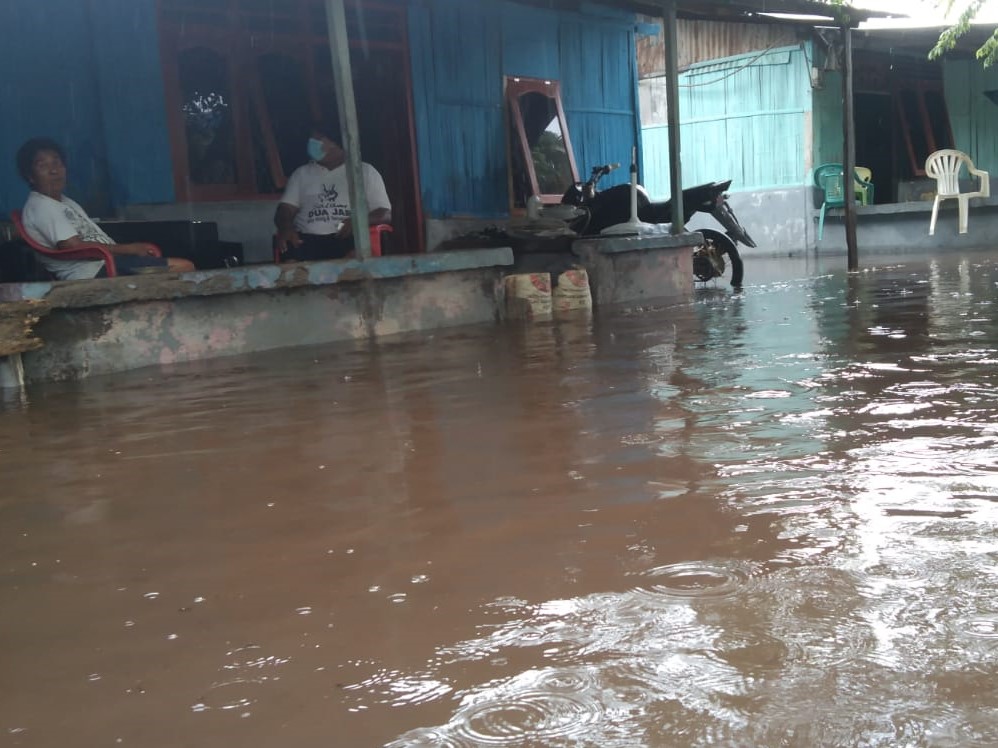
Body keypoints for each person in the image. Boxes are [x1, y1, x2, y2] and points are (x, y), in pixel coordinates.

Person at [16, 137, 195, 281]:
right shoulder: (42, 206)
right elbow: (73, 246)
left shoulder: (64, 201)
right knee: (184, 268)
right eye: (43, 166)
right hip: (93, 272)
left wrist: (131, 251)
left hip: (107, 264)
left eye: (57, 163)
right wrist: (131, 249)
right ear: (30, 176)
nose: (54, 171)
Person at [274, 125, 392, 261]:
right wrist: (286, 227)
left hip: (346, 236)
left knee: (357, 256)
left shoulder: (365, 171)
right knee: (290, 257)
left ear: (336, 143)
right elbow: (285, 210)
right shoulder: (301, 174)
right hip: (307, 239)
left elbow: (385, 214)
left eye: (317, 140)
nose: (311, 144)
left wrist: (358, 222)